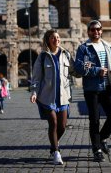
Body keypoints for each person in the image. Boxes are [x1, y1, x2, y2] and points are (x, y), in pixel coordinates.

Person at [30, 29, 78, 165]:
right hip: (47, 97)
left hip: (63, 97)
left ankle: (53, 145)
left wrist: (85, 69)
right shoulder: (43, 57)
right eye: (53, 37)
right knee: (53, 122)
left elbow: (74, 71)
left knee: (62, 126)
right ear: (48, 40)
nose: (56, 39)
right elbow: (36, 78)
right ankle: (56, 152)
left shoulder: (66, 54)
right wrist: (34, 92)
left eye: (57, 37)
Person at [74, 20, 111, 162]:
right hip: (92, 89)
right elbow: (79, 68)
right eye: (93, 30)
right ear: (88, 31)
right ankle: (97, 149)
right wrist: (96, 70)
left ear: (101, 30)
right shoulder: (84, 48)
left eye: (98, 29)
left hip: (108, 86)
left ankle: (102, 138)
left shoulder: (109, 46)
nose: (96, 32)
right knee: (94, 120)